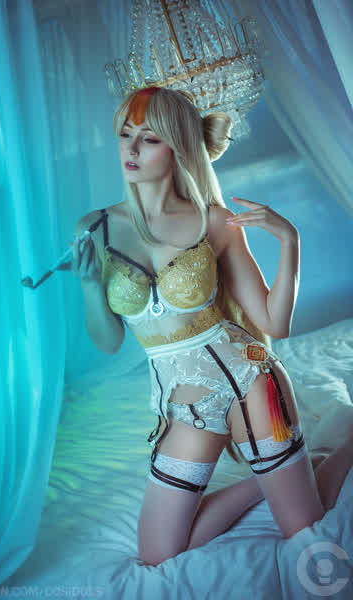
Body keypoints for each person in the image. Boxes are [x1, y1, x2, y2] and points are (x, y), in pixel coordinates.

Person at [70, 85, 353, 567]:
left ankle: (341, 447)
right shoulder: (94, 229)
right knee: (158, 553)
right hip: (188, 409)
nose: (131, 149)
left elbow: (274, 322)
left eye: (149, 138)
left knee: (304, 524)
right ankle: (273, 479)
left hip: (253, 382)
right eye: (125, 134)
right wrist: (89, 285)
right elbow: (108, 341)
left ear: (178, 147)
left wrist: (290, 241)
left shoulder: (215, 222)